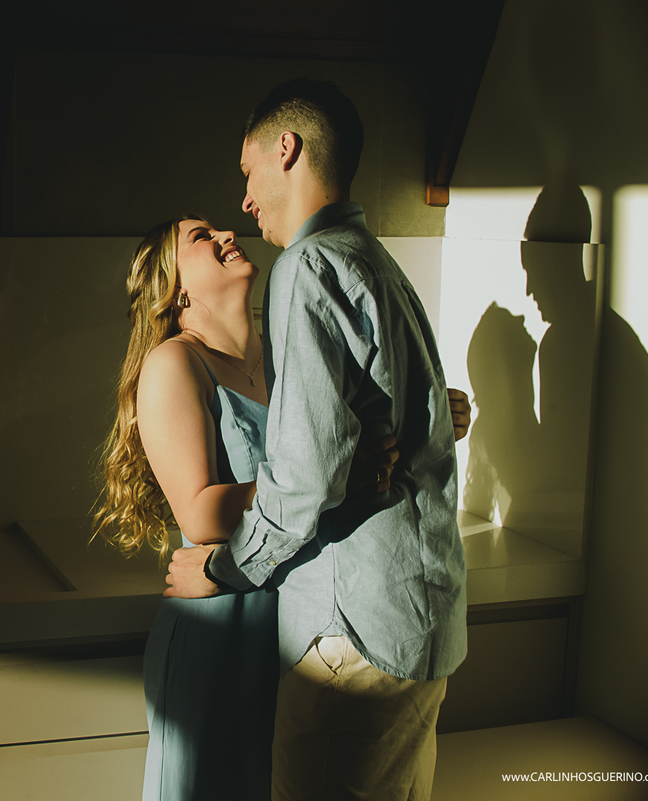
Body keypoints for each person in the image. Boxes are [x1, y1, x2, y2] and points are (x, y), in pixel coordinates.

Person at [163, 79, 468, 801]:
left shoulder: (306, 266)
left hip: (353, 629)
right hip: (421, 616)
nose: (244, 203)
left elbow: (304, 478)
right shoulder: (375, 260)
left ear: (286, 149)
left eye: (247, 173)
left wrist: (225, 570)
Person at [95, 213, 470, 798]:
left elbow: (359, 444)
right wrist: (329, 475)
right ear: (176, 290)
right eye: (201, 237)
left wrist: (433, 414)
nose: (226, 235)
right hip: (222, 620)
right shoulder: (175, 363)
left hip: (296, 615)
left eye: (219, 229)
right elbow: (199, 512)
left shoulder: (288, 355)